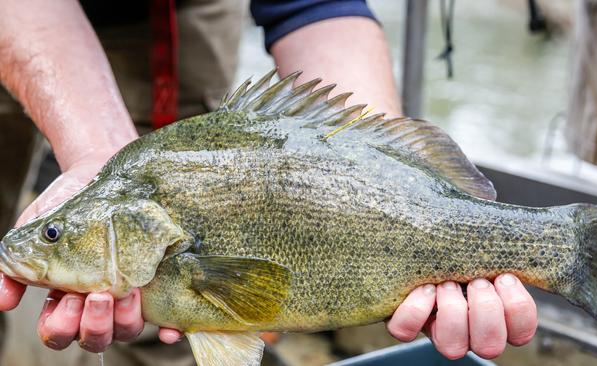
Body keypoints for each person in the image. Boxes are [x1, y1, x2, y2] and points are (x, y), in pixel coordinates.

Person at [0, 0, 537, 364]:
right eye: (55, 233)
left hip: (180, 16)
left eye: (54, 234)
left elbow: (313, 4)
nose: (49, 238)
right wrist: (94, 149)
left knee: (164, 347)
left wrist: (371, 155)